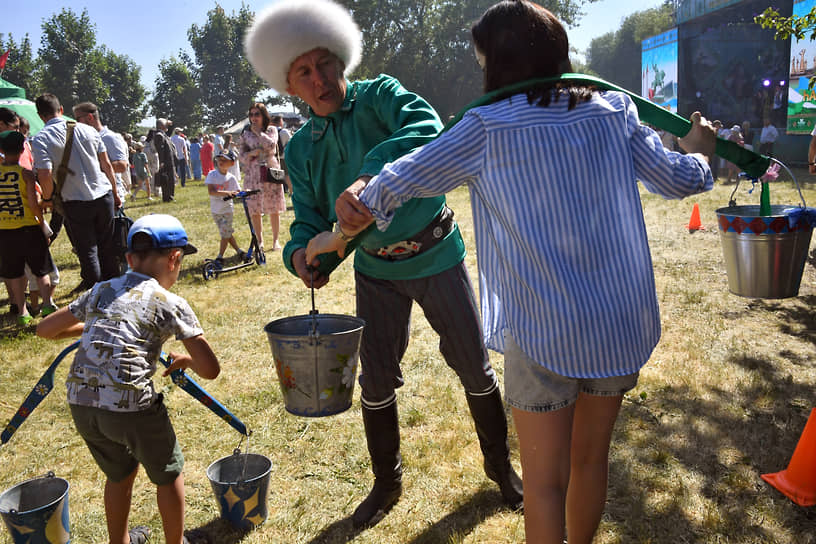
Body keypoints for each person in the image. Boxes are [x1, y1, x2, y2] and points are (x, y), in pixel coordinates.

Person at [316, 2, 717, 542]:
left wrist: (353, 211)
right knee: (590, 462)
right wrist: (700, 153)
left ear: (496, 62)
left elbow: (401, 177)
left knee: (546, 483)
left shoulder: (485, 126)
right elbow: (677, 178)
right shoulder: (614, 109)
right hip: (618, 320)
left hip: (544, 325)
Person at [245, 0, 523, 528]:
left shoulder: (383, 96)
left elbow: (428, 127)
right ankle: (386, 482)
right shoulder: (301, 149)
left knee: (474, 367)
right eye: (304, 71)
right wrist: (302, 257)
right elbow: (306, 220)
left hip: (436, 253)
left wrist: (369, 179)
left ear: (341, 60)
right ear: (289, 86)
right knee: (374, 383)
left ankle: (501, 471)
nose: (319, 79)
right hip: (374, 270)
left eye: (325, 63)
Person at [36, 214, 220, 544]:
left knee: (119, 474)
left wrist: (96, 326)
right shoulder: (171, 302)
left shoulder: (102, 289)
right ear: (175, 259)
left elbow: (45, 329)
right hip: (131, 405)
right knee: (168, 473)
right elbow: (210, 368)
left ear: (130, 259)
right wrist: (188, 361)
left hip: (82, 404)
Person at [31, 93, 121, 291]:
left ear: (40, 115)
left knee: (87, 248)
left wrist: (47, 198)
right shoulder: (88, 130)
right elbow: (106, 165)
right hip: (103, 194)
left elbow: (45, 175)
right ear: (61, 109)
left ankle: (94, 287)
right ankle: (114, 284)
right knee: (106, 243)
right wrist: (115, 192)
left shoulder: (40, 139)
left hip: (75, 199)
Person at [0, 130, 55, 325]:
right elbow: (33, 203)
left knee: (14, 272)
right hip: (28, 227)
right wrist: (41, 223)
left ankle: (22, 311)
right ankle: (47, 303)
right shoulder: (26, 174)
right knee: (41, 269)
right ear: (23, 148)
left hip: (5, 230)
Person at [237, 102, 286, 260]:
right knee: (255, 208)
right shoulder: (245, 134)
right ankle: (260, 240)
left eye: (256, 114)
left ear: (263, 115)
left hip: (270, 171)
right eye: (251, 114)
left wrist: (259, 133)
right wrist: (252, 153)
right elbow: (241, 157)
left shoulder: (271, 130)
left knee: (274, 207)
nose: (253, 118)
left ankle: (275, 240)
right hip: (253, 174)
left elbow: (271, 146)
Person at [73, 102, 131, 204]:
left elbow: (122, 166)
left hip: (111, 197)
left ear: (90, 117)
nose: (76, 123)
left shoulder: (109, 137)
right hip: (94, 196)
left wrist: (91, 167)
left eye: (78, 119)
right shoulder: (85, 139)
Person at [205, 150, 245, 264]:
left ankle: (220, 256)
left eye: (224, 160)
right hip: (215, 210)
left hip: (227, 210)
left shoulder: (231, 178)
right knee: (226, 234)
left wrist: (241, 193)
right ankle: (239, 251)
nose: (221, 162)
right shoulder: (212, 174)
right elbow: (211, 191)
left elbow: (237, 192)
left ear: (232, 163)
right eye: (219, 160)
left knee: (225, 233)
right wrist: (227, 193)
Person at [153, 118, 177, 202]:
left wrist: (170, 123)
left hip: (169, 161)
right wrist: (162, 161)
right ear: (161, 126)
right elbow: (160, 149)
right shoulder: (159, 135)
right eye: (165, 124)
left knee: (170, 180)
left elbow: (171, 129)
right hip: (166, 162)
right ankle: (167, 197)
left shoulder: (164, 134)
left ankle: (170, 196)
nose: (167, 125)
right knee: (166, 180)